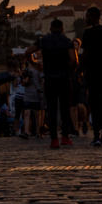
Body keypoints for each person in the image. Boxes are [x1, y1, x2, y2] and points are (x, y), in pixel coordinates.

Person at [36, 19, 76, 148]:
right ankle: (65, 137)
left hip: (49, 78)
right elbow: (74, 60)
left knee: (52, 109)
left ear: (51, 28)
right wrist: (71, 70)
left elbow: (27, 52)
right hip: (64, 78)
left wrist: (36, 65)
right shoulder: (68, 42)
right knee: (65, 109)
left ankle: (54, 139)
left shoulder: (43, 41)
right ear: (62, 28)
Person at [79, 6, 102, 145]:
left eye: (87, 16)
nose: (86, 19)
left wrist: (79, 70)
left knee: (94, 104)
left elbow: (86, 54)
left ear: (94, 17)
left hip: (93, 71)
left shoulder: (88, 33)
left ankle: (96, 135)